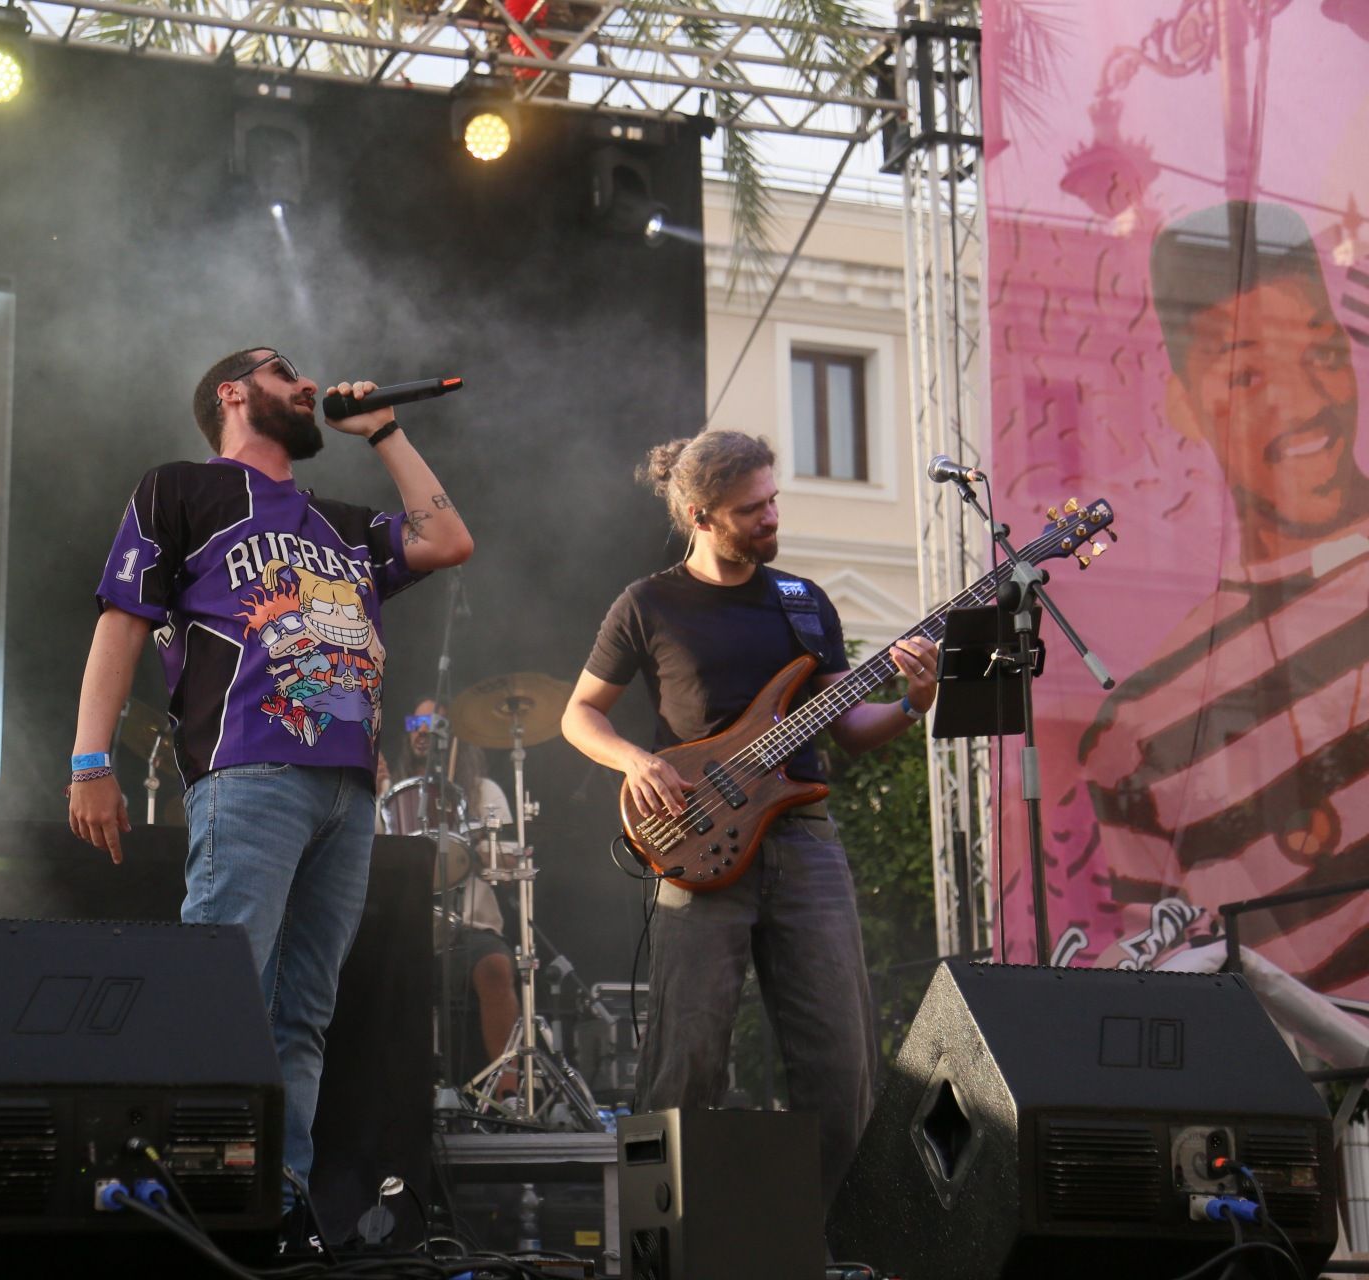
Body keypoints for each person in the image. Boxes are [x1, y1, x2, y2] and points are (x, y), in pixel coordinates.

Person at [66, 348, 473, 1220]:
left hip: (350, 789)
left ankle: (272, 1203)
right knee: (221, 987)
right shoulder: (182, 489)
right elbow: (121, 620)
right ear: (232, 392)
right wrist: (90, 759)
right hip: (251, 770)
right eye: (284, 369)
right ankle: (182, 1195)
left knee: (302, 1015)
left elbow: (447, 540)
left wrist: (387, 431)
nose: (307, 383)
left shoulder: (343, 522)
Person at [559, 429, 937, 1209]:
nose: (771, 517)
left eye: (773, 500)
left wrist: (912, 701)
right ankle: (664, 1240)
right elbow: (579, 716)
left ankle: (836, 1241)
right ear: (701, 515)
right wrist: (637, 761)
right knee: (686, 1056)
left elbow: (848, 725)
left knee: (842, 1060)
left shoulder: (803, 604)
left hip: (804, 844)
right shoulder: (648, 603)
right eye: (751, 509)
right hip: (697, 845)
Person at [1077, 200, 1369, 992]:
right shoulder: (1141, 729)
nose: (1304, 400)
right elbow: (1161, 977)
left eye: (1318, 350)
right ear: (1183, 405)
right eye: (1246, 373)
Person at [381, 697, 521, 1097]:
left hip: (472, 926)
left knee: (494, 967)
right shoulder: (392, 796)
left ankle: (507, 1092)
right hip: (409, 926)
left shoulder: (481, 791)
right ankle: (400, 1095)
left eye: (435, 723)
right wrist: (379, 795)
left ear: (456, 736)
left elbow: (509, 862)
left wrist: (471, 840)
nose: (423, 729)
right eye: (416, 720)